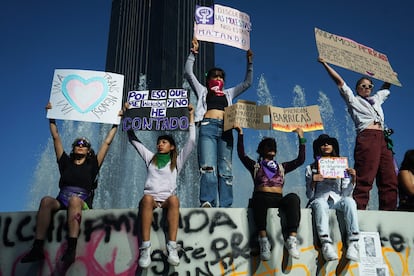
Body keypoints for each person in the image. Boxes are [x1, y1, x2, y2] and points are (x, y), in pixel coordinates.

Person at [21, 102, 119, 265]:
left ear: (88, 150)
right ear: (73, 149)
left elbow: (107, 143)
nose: (81, 146)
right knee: (46, 201)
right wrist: (51, 118)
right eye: (77, 144)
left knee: (74, 200)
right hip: (62, 198)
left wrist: (116, 122)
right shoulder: (65, 162)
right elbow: (56, 137)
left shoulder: (93, 164)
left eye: (84, 145)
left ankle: (71, 248)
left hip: (82, 201)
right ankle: (37, 247)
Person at [318, 57, 398, 211]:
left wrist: (390, 77)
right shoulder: (353, 100)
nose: (367, 88)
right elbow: (340, 82)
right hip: (367, 137)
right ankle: (359, 210)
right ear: (357, 89)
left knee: (389, 178)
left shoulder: (376, 99)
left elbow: (385, 88)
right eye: (363, 85)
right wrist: (325, 64)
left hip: (383, 138)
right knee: (365, 176)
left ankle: (389, 211)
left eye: (369, 85)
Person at [184, 37, 253, 207]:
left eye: (221, 77)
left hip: (226, 130)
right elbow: (188, 73)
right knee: (208, 166)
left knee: (226, 170)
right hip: (207, 127)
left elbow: (247, 83)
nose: (218, 79)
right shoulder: (202, 91)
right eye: (215, 76)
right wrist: (193, 53)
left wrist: (249, 63)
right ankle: (207, 201)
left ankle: (226, 205)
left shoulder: (229, 93)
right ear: (208, 79)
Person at [127, 104, 196, 268]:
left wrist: (191, 116)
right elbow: (133, 139)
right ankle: (145, 248)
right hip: (151, 200)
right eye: (158, 142)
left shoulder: (177, 161)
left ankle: (172, 247)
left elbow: (192, 141)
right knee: (146, 199)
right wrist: (127, 116)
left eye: (164, 142)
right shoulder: (150, 157)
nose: (160, 144)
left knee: (174, 200)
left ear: (171, 146)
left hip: (166, 200)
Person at [235, 125, 305, 260]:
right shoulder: (256, 166)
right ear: (262, 150)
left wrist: (301, 137)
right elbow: (241, 155)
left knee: (293, 198)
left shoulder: (281, 167)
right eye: (268, 146)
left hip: (278, 198)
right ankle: (263, 241)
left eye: (273, 146)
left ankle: (291, 239)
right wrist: (241, 134)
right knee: (258, 199)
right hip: (261, 197)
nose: (271, 148)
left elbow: (300, 160)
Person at [305, 134, 360, 262]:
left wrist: (353, 179)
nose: (325, 145)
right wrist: (313, 181)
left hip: (337, 200)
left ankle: (354, 242)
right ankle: (326, 243)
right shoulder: (311, 168)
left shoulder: (342, 166)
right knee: (320, 203)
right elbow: (309, 195)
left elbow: (346, 193)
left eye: (328, 143)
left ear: (333, 146)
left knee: (350, 202)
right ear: (318, 148)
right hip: (320, 199)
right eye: (322, 143)